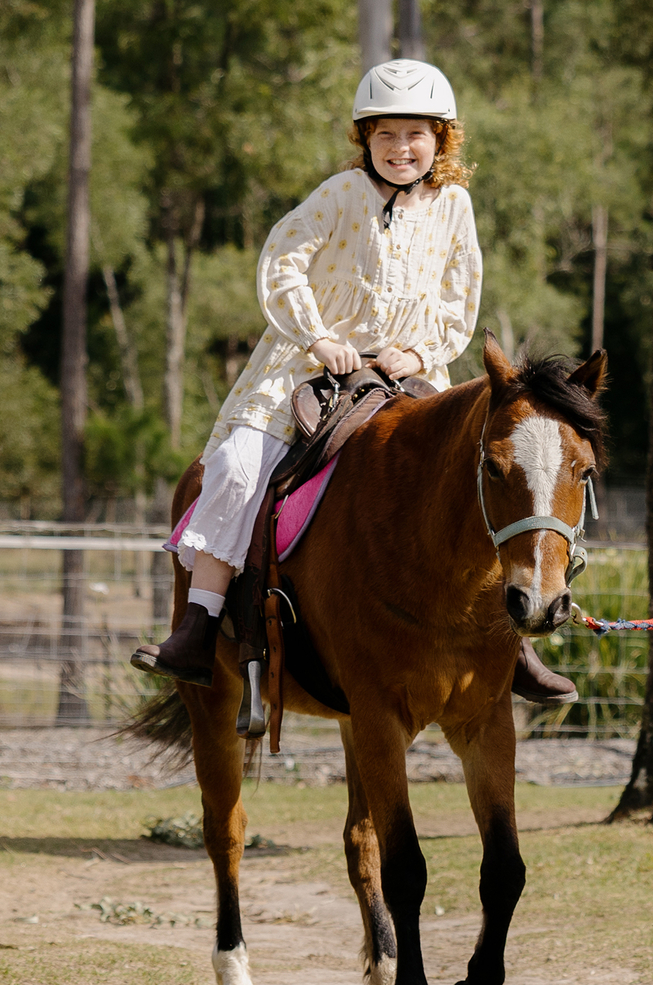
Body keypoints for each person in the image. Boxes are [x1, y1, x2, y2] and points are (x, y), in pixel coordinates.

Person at [131, 58, 577, 705]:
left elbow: (460, 298)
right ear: (364, 140)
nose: (401, 149)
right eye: (386, 135)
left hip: (408, 373)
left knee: (477, 476)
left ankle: (512, 642)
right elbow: (282, 261)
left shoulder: (454, 205)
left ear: (441, 139)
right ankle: (198, 624)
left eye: (415, 134)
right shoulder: (338, 195)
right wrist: (318, 337)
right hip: (308, 368)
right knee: (232, 467)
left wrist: (417, 351)